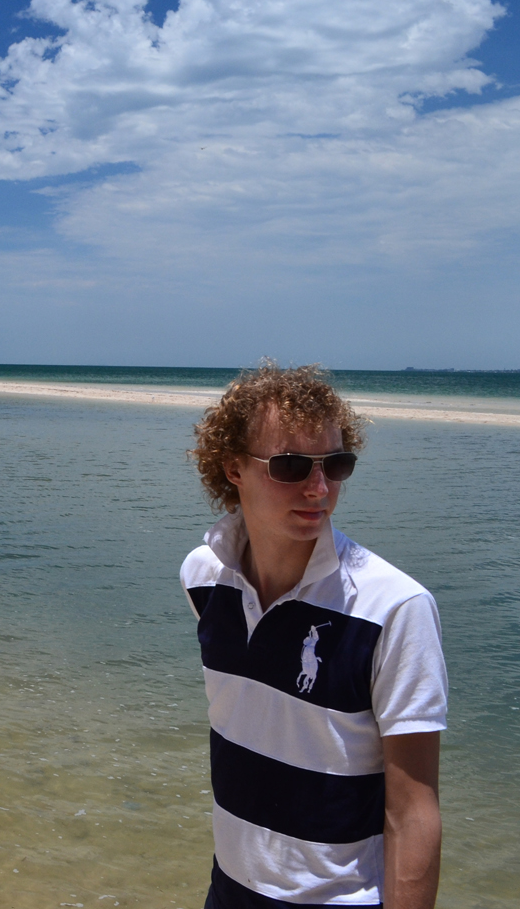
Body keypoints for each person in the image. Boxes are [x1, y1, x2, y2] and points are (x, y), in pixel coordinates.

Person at [182, 363, 447, 908]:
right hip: (228, 889)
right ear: (233, 467)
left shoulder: (395, 609)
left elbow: (413, 810)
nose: (320, 488)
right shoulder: (204, 579)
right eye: (292, 466)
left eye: (336, 465)